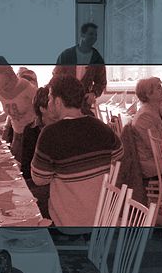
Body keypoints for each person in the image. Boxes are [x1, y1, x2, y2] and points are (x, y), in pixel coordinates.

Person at [31, 75, 123, 232]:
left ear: (58, 102)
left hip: (67, 222)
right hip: (102, 219)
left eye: (50, 98)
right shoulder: (101, 127)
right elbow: (118, 155)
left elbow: (39, 179)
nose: (49, 103)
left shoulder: (50, 133)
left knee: (25, 207)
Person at [54, 22, 107, 116]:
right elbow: (56, 78)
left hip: (84, 104)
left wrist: (94, 93)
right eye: (91, 34)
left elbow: (101, 82)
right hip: (65, 103)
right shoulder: (66, 55)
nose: (94, 38)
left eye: (96, 35)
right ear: (82, 35)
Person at [21, 86, 54, 219]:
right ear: (42, 108)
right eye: (52, 103)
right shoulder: (31, 130)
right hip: (38, 179)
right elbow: (26, 168)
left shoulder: (60, 130)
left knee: (23, 199)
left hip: (54, 185)